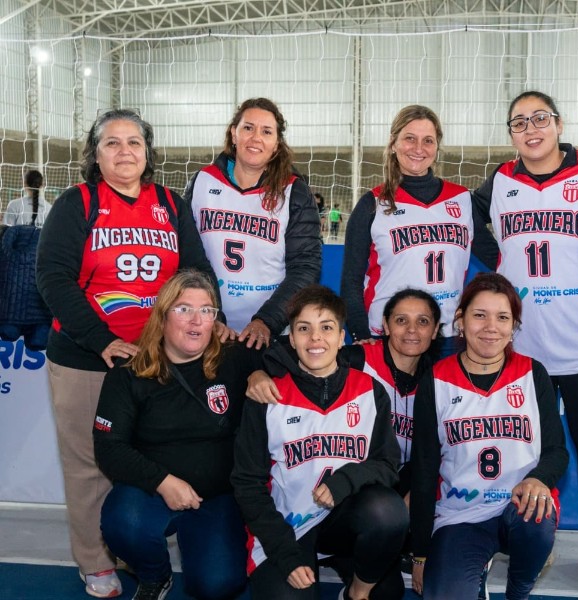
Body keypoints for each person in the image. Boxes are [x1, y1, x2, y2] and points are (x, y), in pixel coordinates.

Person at [36, 108, 220, 599]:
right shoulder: (77, 204)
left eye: (134, 142)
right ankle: (95, 562)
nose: (124, 151)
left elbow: (197, 271)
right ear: (95, 155)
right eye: (112, 143)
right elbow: (52, 278)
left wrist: (206, 319)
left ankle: (127, 546)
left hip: (155, 362)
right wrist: (101, 340)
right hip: (86, 357)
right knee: (87, 463)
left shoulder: (169, 203)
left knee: (140, 459)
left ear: (148, 151)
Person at [472, 90, 578, 588]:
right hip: (524, 345)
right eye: (519, 122)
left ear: (559, 124)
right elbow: (469, 224)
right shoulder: (499, 181)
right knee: (525, 448)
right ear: (511, 134)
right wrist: (501, 256)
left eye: (540, 118)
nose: (530, 128)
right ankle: (535, 536)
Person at [232, 285, 408, 600]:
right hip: (288, 525)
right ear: (292, 338)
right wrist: (284, 554)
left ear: (342, 338)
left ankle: (355, 592)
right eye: (304, 329)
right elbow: (248, 484)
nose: (315, 338)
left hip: (345, 520)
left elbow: (387, 464)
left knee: (388, 517)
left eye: (326, 328)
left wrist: (347, 479)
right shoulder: (267, 395)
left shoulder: (370, 391)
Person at [94, 270, 261, 600]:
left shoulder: (235, 358)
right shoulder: (130, 373)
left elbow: (291, 356)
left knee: (218, 586)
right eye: (184, 309)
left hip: (217, 496)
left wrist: (258, 372)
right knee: (122, 522)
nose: (196, 320)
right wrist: (163, 481)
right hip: (153, 491)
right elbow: (109, 449)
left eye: (207, 310)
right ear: (163, 315)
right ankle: (155, 575)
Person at [409, 272, 569, 600]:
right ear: (461, 321)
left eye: (502, 317)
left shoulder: (532, 373)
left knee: (535, 522)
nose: (490, 327)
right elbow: (424, 470)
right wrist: (420, 553)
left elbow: (556, 451)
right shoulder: (436, 380)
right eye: (479, 315)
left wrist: (539, 478)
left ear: (514, 328)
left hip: (519, 508)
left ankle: (518, 589)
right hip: (460, 516)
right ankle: (471, 569)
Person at [246, 287, 442, 500]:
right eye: (401, 320)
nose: (411, 330)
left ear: (435, 329)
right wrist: (257, 372)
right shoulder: (358, 358)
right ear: (385, 325)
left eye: (422, 321)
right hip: (352, 486)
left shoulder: (436, 382)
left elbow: (432, 455)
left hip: (392, 478)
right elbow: (305, 353)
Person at [340, 104, 495, 349]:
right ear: (393, 143)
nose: (418, 149)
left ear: (437, 146)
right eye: (410, 138)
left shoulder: (462, 200)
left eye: (428, 140)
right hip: (387, 333)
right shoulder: (373, 204)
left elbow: (495, 257)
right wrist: (360, 333)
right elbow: (351, 279)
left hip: (446, 333)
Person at [185, 97, 321, 345]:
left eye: (266, 131)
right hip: (207, 327)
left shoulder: (293, 191)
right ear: (233, 134)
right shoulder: (203, 181)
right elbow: (185, 255)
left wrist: (267, 320)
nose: (256, 137)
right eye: (248, 127)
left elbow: (305, 267)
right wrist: (208, 313)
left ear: (277, 144)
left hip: (270, 331)